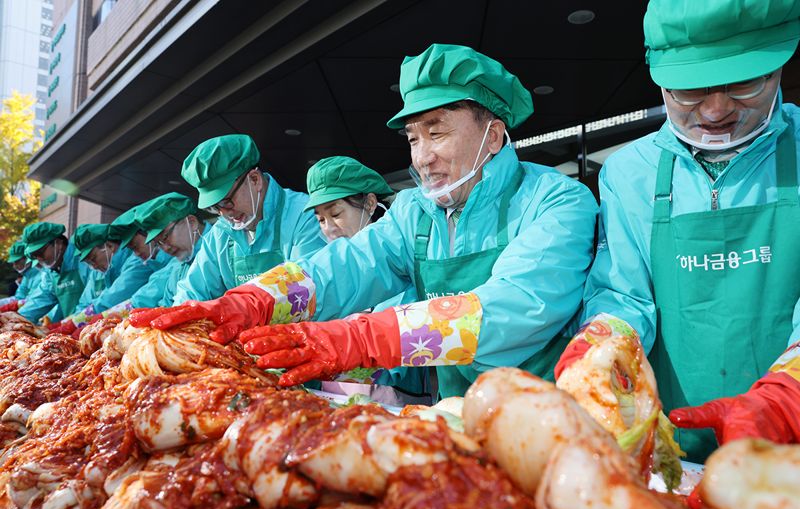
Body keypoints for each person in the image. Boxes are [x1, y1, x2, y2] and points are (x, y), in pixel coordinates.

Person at [133, 44, 598, 399]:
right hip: (457, 410)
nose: (423, 157)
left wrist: (365, 337)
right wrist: (253, 301)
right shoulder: (417, 211)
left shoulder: (557, 201)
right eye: (414, 138)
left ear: (493, 134)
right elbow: (345, 265)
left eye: (437, 132)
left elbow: (516, 307)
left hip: (547, 412)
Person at [555, 0, 800, 462]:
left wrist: (787, 397)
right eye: (689, 90)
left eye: (744, 82)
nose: (715, 109)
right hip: (674, 442)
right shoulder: (630, 173)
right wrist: (604, 336)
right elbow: (624, 291)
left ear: (780, 64)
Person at [305, 156, 428, 402]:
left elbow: (402, 357)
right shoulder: (325, 273)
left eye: (336, 213)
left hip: (396, 407)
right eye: (320, 219)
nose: (328, 228)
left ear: (370, 203)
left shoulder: (401, 268)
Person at [173, 134, 325, 303]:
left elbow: (310, 288)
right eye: (214, 207)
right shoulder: (220, 234)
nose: (224, 213)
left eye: (226, 201)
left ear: (255, 180)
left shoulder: (304, 214)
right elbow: (192, 290)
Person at [138, 193, 213, 307]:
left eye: (165, 237)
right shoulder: (180, 266)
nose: (165, 248)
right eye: (159, 243)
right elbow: (166, 305)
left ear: (192, 222)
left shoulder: (219, 245)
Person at [18, 222, 91, 323]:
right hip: (73, 326)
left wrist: (70, 325)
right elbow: (41, 299)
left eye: (40, 252)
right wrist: (17, 319)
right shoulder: (51, 271)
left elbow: (92, 301)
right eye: (34, 256)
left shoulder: (85, 260)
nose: (39, 259)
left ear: (58, 243)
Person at [0, 241, 43, 312]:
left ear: (27, 258)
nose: (14, 266)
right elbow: (19, 298)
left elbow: (35, 301)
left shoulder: (40, 275)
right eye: (13, 263)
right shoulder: (27, 276)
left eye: (17, 261)